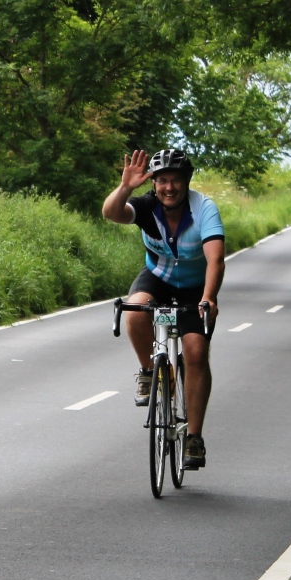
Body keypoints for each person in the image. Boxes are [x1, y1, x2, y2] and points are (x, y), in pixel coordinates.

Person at [102, 148, 224, 470]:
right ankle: (147, 370)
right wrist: (126, 187)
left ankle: (194, 438)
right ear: (154, 184)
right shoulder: (146, 206)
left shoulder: (204, 210)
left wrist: (209, 298)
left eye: (176, 181)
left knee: (196, 352)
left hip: (195, 287)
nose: (169, 188)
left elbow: (215, 259)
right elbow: (111, 213)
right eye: (163, 181)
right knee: (136, 310)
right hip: (157, 278)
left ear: (187, 182)